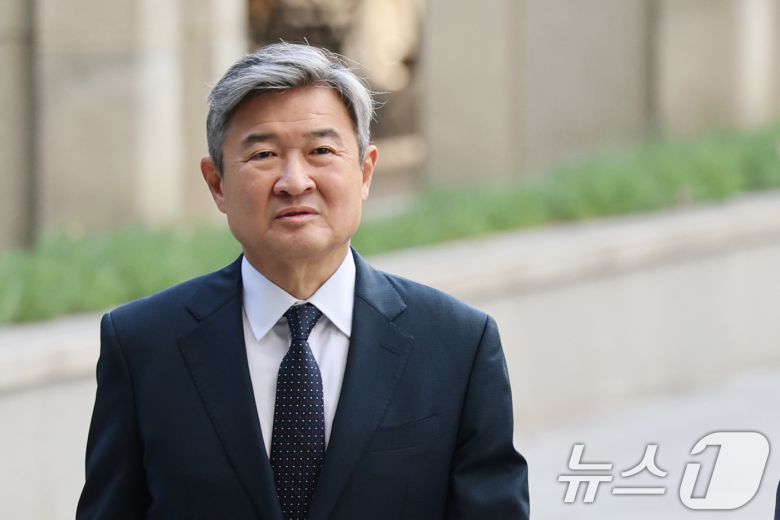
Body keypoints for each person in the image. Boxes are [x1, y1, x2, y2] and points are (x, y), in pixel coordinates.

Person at [77, 42, 529, 519]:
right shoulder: (144, 345)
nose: (294, 181)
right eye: (264, 154)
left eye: (321, 151)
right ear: (217, 184)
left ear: (365, 172)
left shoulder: (458, 344)